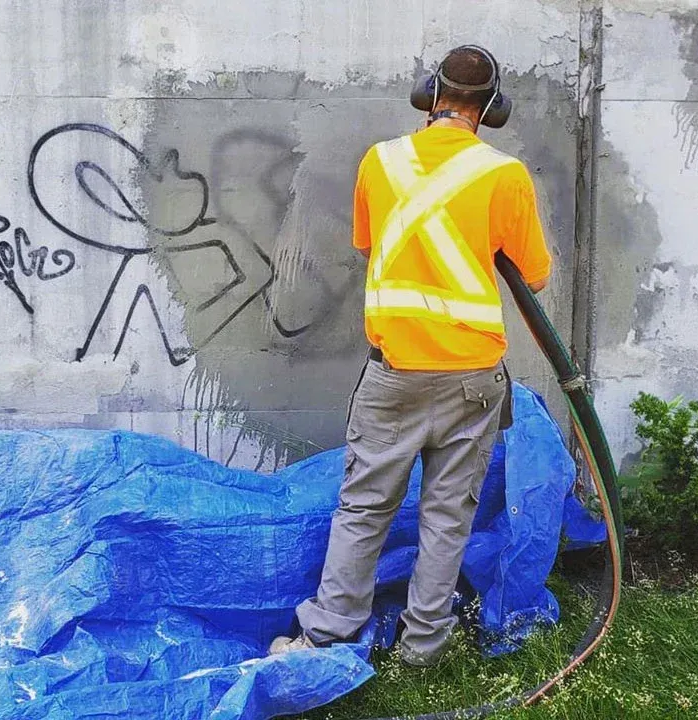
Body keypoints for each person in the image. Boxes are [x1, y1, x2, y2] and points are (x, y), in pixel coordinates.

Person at [269, 45, 552, 667]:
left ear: (430, 94)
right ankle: (424, 646)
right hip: (473, 380)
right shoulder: (504, 176)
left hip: (394, 375)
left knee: (364, 509)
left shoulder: (381, 162)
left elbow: (370, 245)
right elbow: (534, 273)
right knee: (449, 516)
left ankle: (327, 636)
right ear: (492, 109)